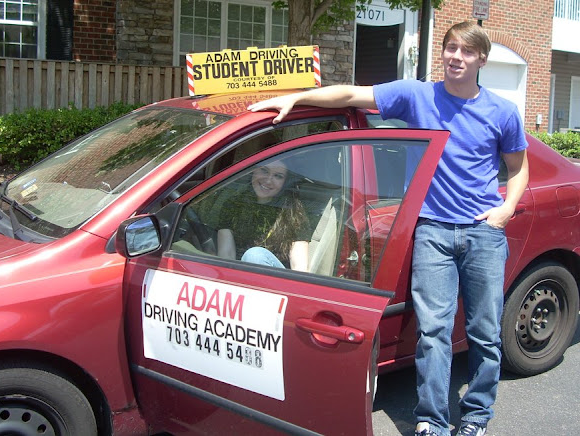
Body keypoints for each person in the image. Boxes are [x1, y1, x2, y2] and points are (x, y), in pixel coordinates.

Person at [248, 21, 529, 436]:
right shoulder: (417, 95)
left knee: (484, 332)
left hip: (483, 232)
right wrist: (298, 97)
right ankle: (431, 420)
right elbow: (349, 93)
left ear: (481, 59)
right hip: (432, 230)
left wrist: (505, 210)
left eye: (467, 51)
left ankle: (476, 415)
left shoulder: (502, 111)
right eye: (451, 48)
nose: (456, 57)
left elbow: (519, 168)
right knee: (433, 332)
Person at [216, 158, 311, 272]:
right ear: (254, 171)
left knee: (254, 256)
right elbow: (226, 256)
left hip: (275, 284)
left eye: (278, 176)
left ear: (285, 182)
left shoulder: (293, 212)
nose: (268, 180)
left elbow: (299, 269)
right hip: (239, 278)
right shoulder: (233, 204)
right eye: (264, 171)